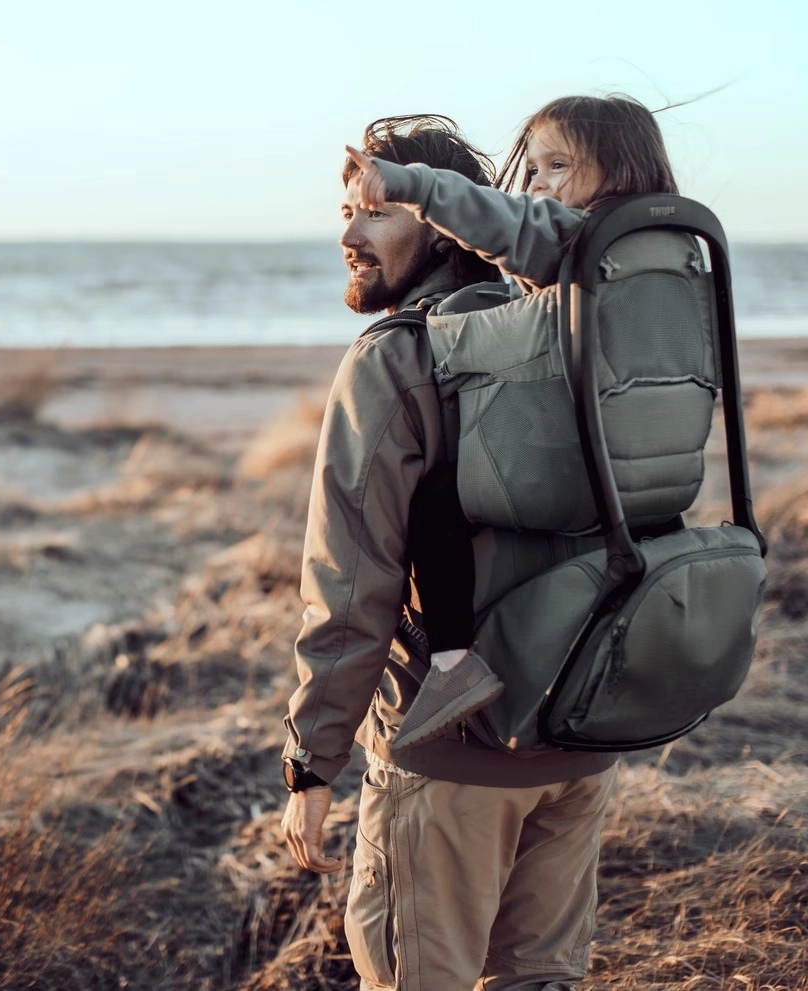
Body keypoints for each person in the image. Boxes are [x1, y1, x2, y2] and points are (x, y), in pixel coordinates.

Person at [281, 110, 621, 991]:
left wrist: (311, 759)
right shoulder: (568, 332)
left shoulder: (393, 359)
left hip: (449, 750)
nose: (349, 235)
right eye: (344, 211)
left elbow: (348, 586)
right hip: (577, 742)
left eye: (376, 211)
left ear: (444, 220)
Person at [345, 94, 682, 753]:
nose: (533, 186)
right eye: (530, 169)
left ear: (618, 172)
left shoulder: (576, 241)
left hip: (572, 479)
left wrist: (409, 187)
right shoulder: (679, 252)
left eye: (555, 166)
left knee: (438, 497)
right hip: (656, 479)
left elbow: (493, 219)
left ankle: (451, 665)